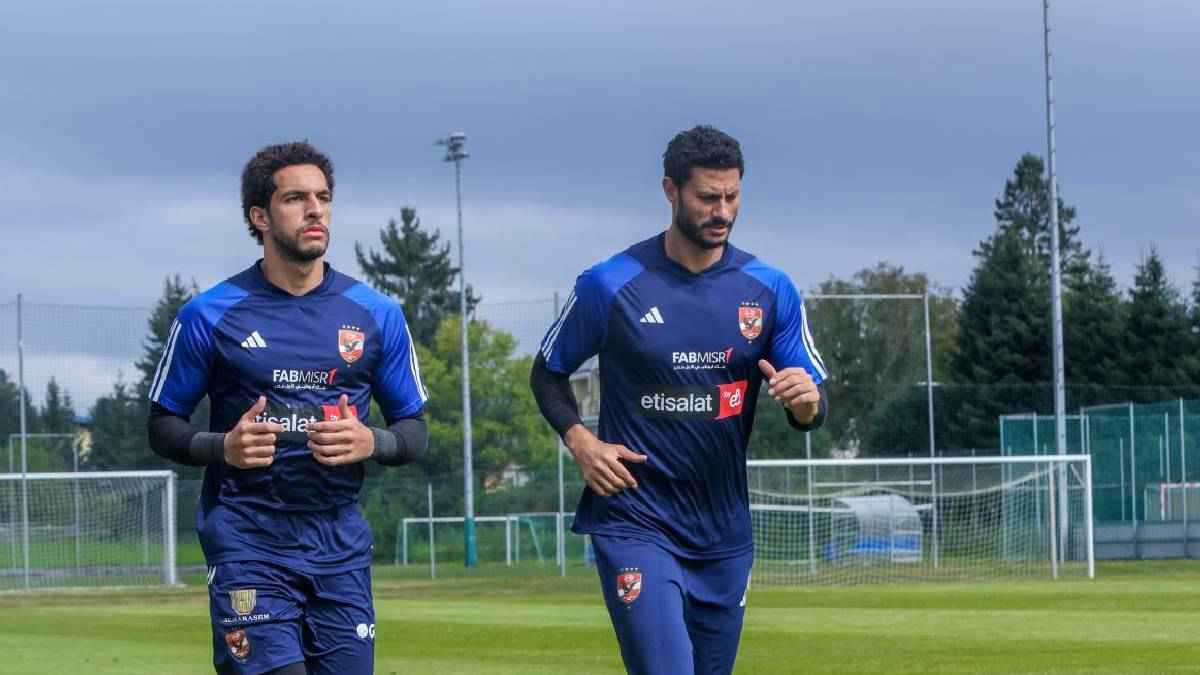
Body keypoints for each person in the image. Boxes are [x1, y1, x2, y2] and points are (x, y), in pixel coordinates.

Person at [530, 125, 829, 675]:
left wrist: (805, 402)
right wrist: (581, 442)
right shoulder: (610, 284)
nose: (722, 211)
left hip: (723, 532)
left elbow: (810, 405)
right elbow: (547, 373)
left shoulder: (770, 288)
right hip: (635, 519)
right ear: (671, 190)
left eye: (732, 196)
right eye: (707, 197)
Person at [146, 141, 429, 675]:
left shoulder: (377, 314)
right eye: (296, 198)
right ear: (260, 216)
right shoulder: (208, 315)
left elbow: (414, 430)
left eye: (323, 197)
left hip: (339, 544)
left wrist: (373, 440)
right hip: (247, 539)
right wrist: (222, 446)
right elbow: (163, 425)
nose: (315, 210)